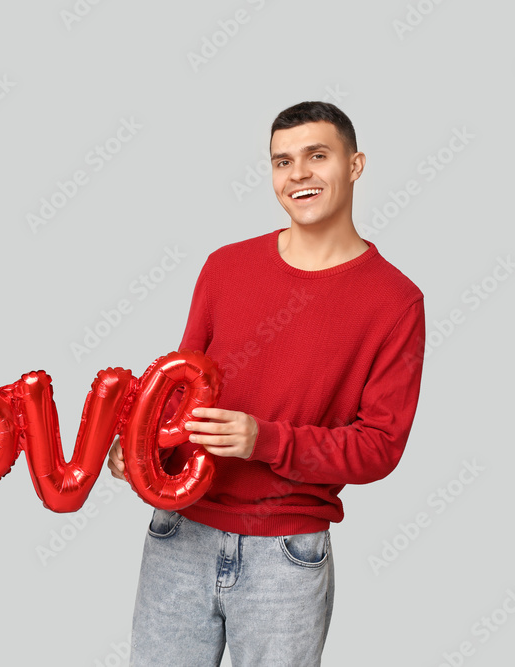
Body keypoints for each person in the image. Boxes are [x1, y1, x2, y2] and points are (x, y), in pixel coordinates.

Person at [107, 102, 425, 665]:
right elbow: (179, 395)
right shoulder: (225, 268)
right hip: (178, 535)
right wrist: (142, 449)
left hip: (287, 555)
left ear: (355, 165)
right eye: (282, 161)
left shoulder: (395, 302)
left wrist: (265, 440)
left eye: (316, 156)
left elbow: (380, 447)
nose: (297, 174)